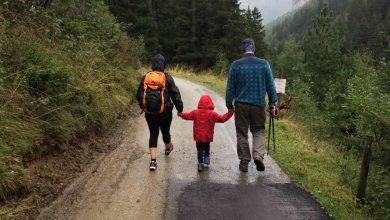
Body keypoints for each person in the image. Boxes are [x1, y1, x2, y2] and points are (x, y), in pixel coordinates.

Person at [226, 38, 278, 173]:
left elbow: (230, 87)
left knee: (242, 133)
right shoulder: (264, 64)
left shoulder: (235, 65)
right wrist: (273, 104)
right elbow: (271, 87)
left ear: (243, 50)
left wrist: (229, 104)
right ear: (253, 49)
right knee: (258, 131)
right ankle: (258, 156)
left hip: (241, 105)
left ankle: (244, 161)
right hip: (258, 105)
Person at [136, 54, 183, 171]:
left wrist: (144, 106)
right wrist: (180, 109)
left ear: (153, 64)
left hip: (150, 113)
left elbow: (139, 95)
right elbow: (175, 94)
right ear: (163, 64)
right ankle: (168, 146)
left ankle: (153, 162)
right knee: (165, 131)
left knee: (153, 134)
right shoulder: (167, 78)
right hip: (165, 112)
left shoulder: (146, 77)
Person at [179, 95, 233, 172]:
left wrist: (181, 114)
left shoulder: (195, 112)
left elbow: (187, 116)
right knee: (207, 146)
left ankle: (200, 164)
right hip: (208, 135)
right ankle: (207, 158)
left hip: (198, 136)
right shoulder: (213, 114)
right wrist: (230, 113)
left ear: (200, 103)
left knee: (200, 149)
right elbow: (222, 119)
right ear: (210, 103)